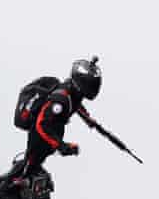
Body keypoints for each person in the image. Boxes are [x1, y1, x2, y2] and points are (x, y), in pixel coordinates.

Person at [13, 56, 103, 187]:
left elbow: (76, 105)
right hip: (40, 129)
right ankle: (21, 179)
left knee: (41, 153)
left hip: (50, 127)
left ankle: (28, 173)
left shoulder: (73, 95)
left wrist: (90, 120)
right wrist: (61, 145)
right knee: (33, 158)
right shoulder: (61, 101)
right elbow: (41, 125)